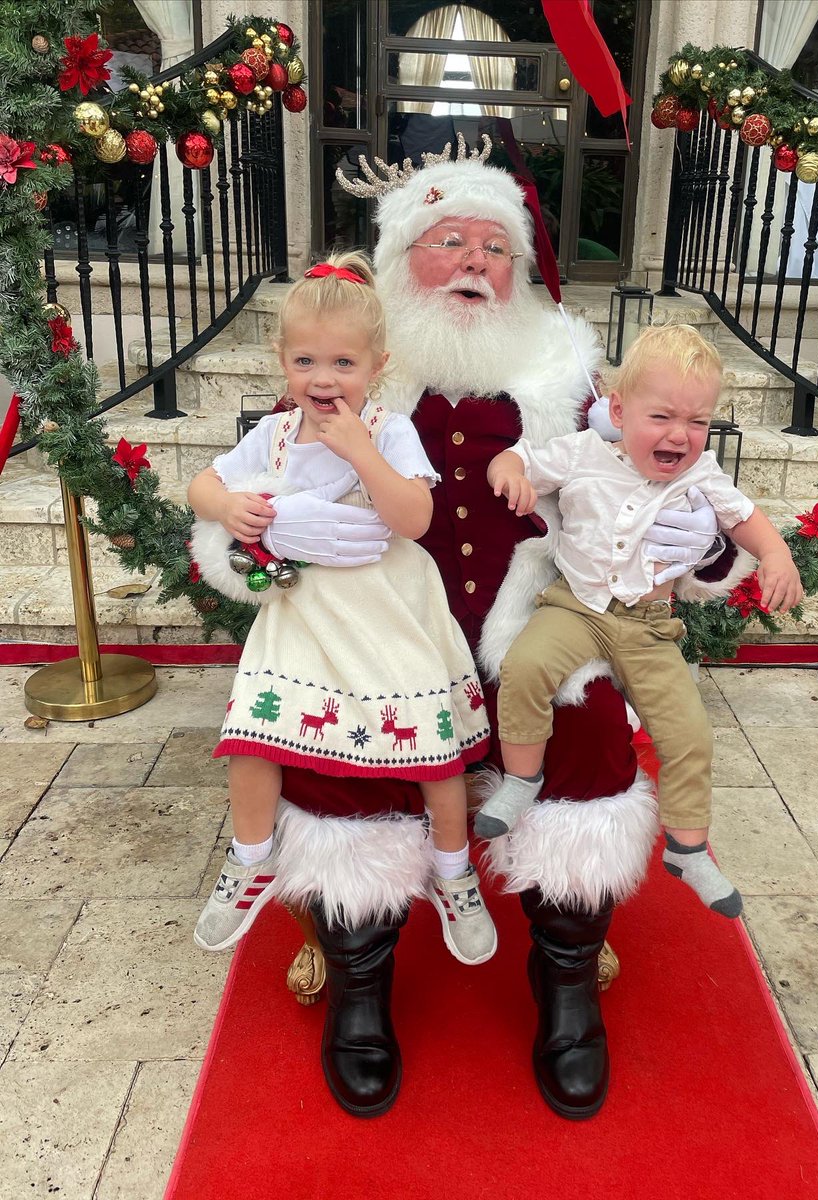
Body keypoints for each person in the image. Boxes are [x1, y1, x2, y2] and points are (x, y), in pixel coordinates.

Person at [191, 139, 755, 1121]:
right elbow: (247, 502)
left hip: (535, 630)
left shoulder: (575, 388)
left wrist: (698, 547)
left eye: (494, 246)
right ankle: (361, 979)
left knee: (583, 751)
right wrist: (250, 545)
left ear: (522, 270)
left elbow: (673, 499)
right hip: (375, 642)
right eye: (445, 240)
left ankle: (565, 975)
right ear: (400, 260)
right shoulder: (345, 379)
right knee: (332, 764)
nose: (472, 262)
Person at [187, 253, 497, 971]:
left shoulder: (389, 431)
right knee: (250, 733)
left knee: (433, 747)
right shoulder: (275, 435)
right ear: (282, 360)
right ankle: (251, 857)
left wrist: (363, 455)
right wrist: (226, 506)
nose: (323, 380)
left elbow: (416, 517)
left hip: (388, 604)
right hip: (306, 607)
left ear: (377, 365)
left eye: (343, 363)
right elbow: (205, 483)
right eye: (305, 360)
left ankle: (454, 869)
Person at [475, 324, 804, 921]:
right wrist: (510, 470)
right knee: (524, 667)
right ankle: (522, 780)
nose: (681, 435)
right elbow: (522, 456)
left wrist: (777, 554)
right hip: (575, 610)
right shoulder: (583, 453)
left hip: (650, 627)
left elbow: (745, 519)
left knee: (689, 737)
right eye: (662, 417)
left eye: (698, 422)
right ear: (618, 412)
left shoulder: (700, 476)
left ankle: (687, 847)